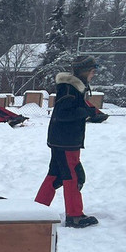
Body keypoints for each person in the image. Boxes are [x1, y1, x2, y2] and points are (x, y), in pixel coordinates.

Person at [34, 54, 108, 228]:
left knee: (56, 174)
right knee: (73, 175)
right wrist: (87, 113)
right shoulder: (70, 88)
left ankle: (37, 209)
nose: (93, 74)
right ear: (83, 71)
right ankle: (75, 216)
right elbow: (63, 114)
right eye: (92, 71)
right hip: (66, 141)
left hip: (62, 139)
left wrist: (91, 112)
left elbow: (73, 108)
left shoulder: (72, 87)